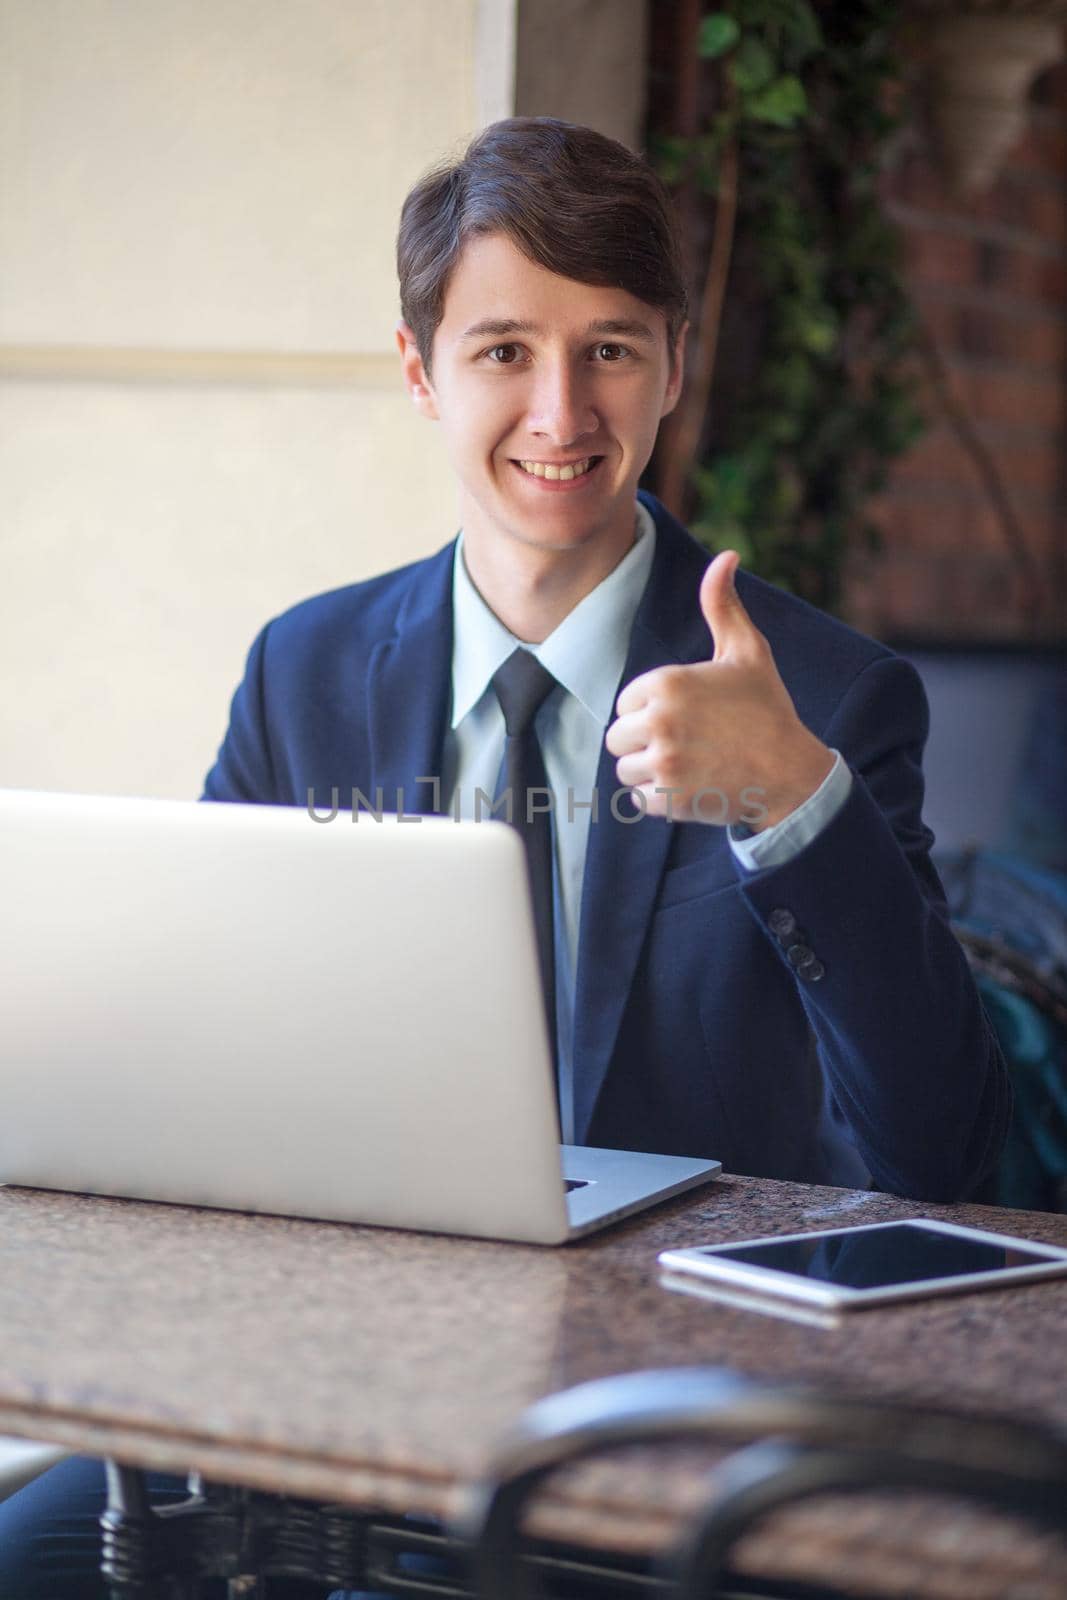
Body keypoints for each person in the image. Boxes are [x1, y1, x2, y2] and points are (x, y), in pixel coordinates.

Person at [0, 115, 1009, 1598]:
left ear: (673, 363)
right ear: (419, 372)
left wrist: (796, 801)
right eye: (501, 351)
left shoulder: (827, 694)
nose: (560, 409)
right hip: (348, 1374)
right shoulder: (307, 667)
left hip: (663, 1419)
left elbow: (944, 1149)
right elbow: (194, 1063)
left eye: (610, 347)